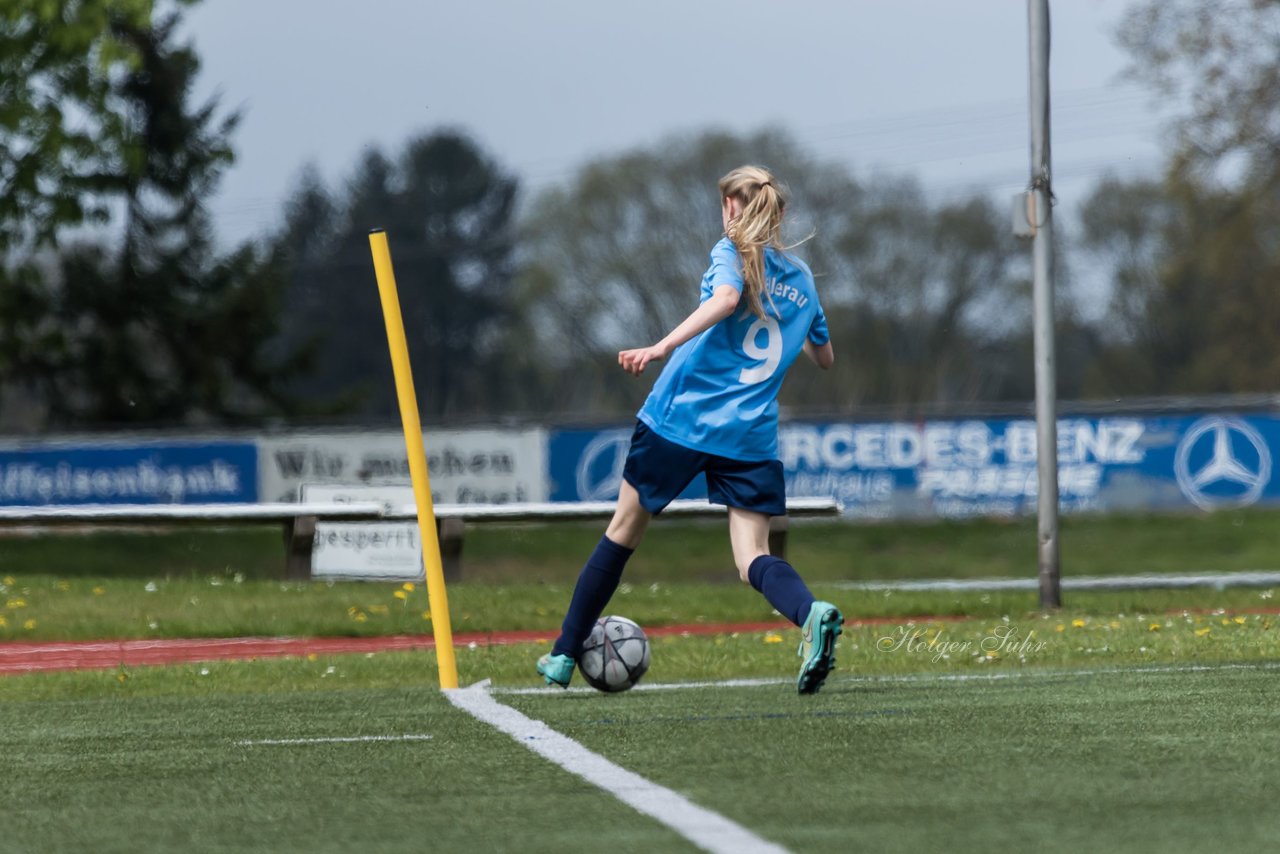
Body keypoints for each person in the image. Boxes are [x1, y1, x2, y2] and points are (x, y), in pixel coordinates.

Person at [537, 165, 844, 695]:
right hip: (749, 437)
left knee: (623, 530)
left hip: (679, 423)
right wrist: (805, 322)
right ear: (780, 213)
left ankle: (564, 655)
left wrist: (660, 347)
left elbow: (726, 300)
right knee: (753, 556)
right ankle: (811, 612)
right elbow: (826, 358)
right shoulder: (803, 281)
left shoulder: (729, 255)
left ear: (730, 208)